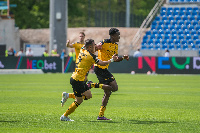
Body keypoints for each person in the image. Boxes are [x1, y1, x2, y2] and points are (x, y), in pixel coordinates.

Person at [60, 39, 118, 121]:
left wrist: (96, 46)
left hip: (78, 78)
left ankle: (68, 95)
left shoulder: (82, 49)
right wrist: (112, 59)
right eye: (94, 45)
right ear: (90, 47)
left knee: (88, 95)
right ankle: (64, 116)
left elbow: (86, 45)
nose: (95, 47)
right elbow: (103, 63)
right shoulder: (91, 57)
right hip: (77, 80)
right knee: (79, 100)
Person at [89, 28, 129, 120]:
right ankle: (91, 85)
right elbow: (94, 48)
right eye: (118, 35)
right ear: (112, 36)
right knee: (115, 88)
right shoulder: (104, 42)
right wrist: (96, 47)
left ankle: (101, 115)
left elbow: (115, 59)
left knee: (108, 92)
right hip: (99, 68)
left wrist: (123, 57)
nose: (119, 36)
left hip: (104, 69)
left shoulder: (115, 45)